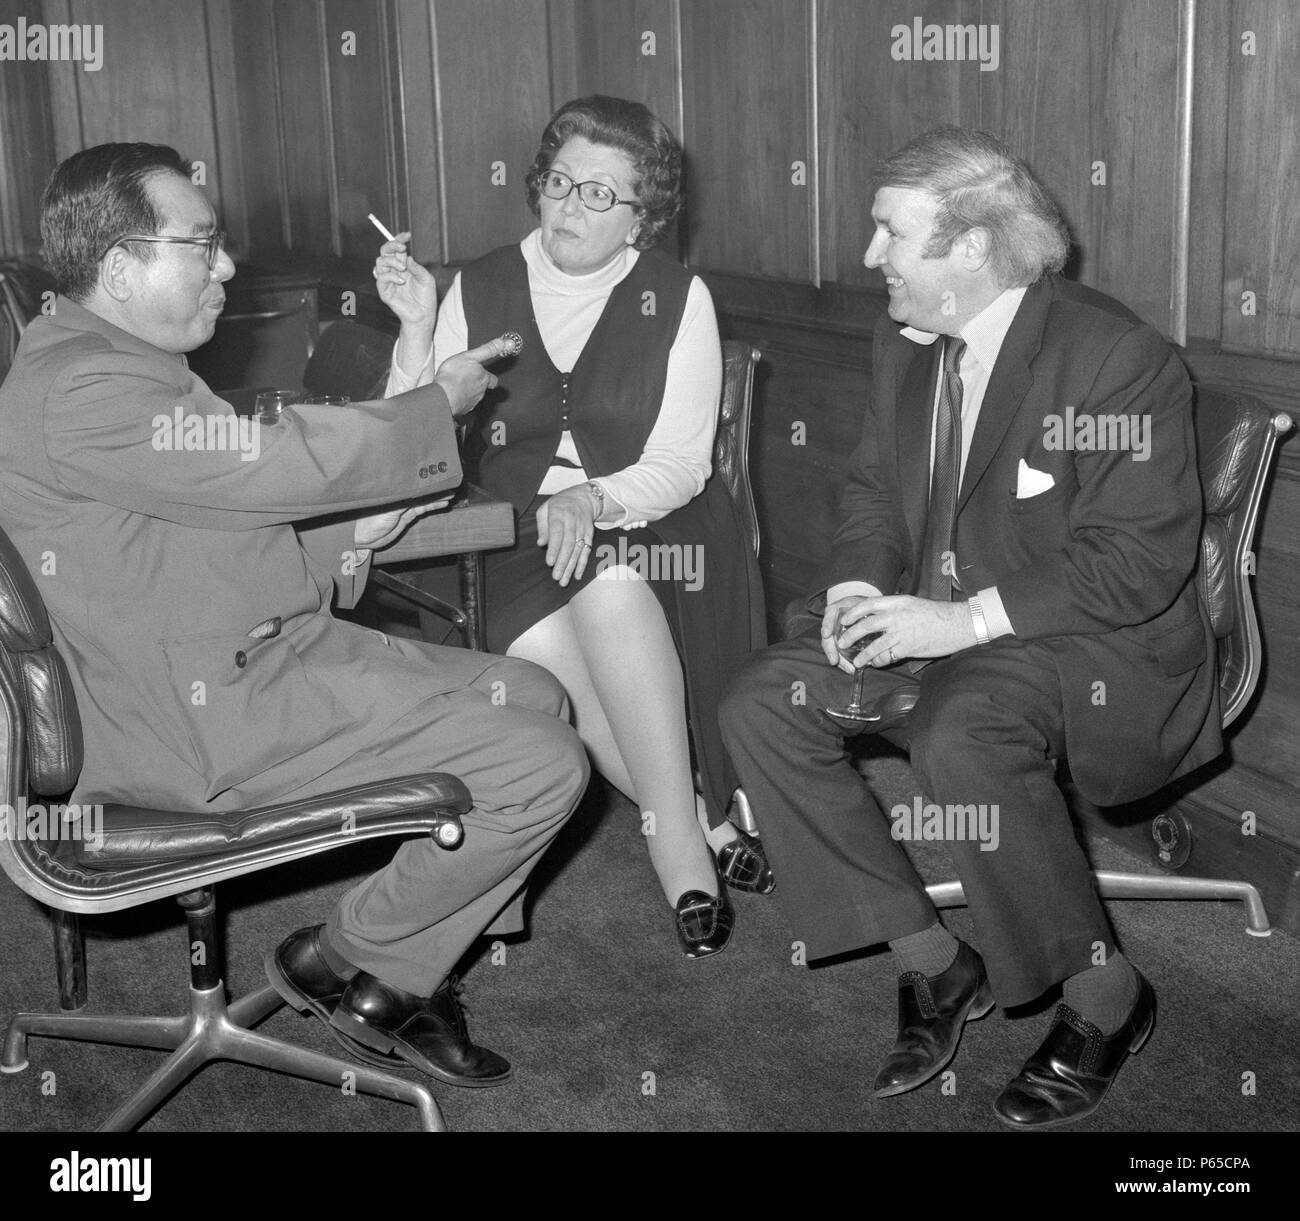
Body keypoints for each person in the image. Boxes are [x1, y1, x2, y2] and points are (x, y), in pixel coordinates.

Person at [0, 143, 590, 1087]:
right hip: (185, 719)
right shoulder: (81, 386)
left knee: (534, 691)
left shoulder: (109, 357)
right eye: (204, 244)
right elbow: (270, 465)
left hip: (226, 660)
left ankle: (411, 968)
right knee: (543, 764)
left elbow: (199, 533)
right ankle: (345, 955)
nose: (228, 265)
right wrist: (435, 406)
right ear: (119, 266)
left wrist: (357, 526)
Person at [719, 127, 1222, 1127]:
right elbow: (873, 496)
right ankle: (934, 962)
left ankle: (1105, 1001)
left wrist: (959, 621)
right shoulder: (902, 344)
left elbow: (1134, 560)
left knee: (963, 730)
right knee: (760, 704)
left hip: (1086, 647)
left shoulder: (1112, 359)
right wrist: (857, 594)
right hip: (940, 624)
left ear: (973, 250)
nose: (869, 259)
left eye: (888, 235)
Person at [374, 95, 769, 958]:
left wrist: (591, 501)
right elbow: (410, 431)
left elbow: (683, 463)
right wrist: (414, 327)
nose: (569, 207)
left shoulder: (678, 295)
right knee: (557, 653)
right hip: (499, 531)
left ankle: (679, 859)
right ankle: (701, 821)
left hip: (650, 517)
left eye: (600, 194)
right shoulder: (477, 284)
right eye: (559, 182)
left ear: (643, 216)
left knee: (613, 581)